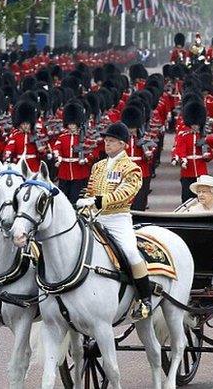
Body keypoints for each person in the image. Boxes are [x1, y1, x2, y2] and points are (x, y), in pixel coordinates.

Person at [76, 122, 151, 321]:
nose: (106, 144)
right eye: (106, 141)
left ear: (122, 144)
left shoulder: (131, 168)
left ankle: (145, 299)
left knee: (131, 253)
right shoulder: (98, 166)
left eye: (111, 141)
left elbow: (126, 192)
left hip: (118, 219)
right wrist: (86, 196)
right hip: (95, 217)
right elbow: (91, 189)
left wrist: (99, 200)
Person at [172, 100, 213, 202]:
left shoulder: (204, 136)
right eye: (193, 124)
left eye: (197, 124)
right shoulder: (183, 135)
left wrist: (207, 156)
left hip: (201, 171)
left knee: (202, 198)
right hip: (187, 171)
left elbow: (210, 153)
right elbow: (180, 148)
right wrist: (183, 159)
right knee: (187, 198)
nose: (195, 126)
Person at [51, 101, 91, 206]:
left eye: (74, 124)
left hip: (80, 171)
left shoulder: (84, 137)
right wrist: (58, 158)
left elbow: (92, 152)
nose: (72, 126)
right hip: (65, 171)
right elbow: (56, 148)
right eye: (70, 124)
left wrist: (86, 159)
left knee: (77, 198)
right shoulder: (62, 137)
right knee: (63, 197)